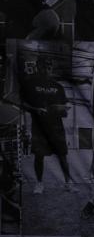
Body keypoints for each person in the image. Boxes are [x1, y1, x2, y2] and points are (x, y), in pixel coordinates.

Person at [19, 57, 77, 195]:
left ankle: (68, 183)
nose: (47, 70)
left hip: (56, 127)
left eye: (49, 67)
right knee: (39, 155)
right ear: (38, 67)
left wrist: (63, 110)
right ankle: (39, 184)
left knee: (62, 156)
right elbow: (22, 103)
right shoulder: (30, 84)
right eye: (44, 67)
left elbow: (66, 104)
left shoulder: (58, 87)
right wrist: (35, 110)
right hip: (39, 127)